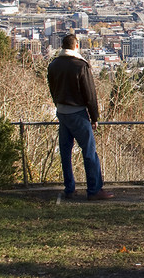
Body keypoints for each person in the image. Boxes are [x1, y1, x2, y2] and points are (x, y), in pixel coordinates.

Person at [47, 34, 114, 201]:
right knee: (89, 152)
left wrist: (58, 105)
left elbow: (52, 88)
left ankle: (69, 188)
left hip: (62, 112)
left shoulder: (54, 65)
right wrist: (94, 117)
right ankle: (94, 190)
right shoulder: (80, 65)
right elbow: (90, 94)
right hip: (78, 113)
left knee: (65, 152)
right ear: (76, 46)